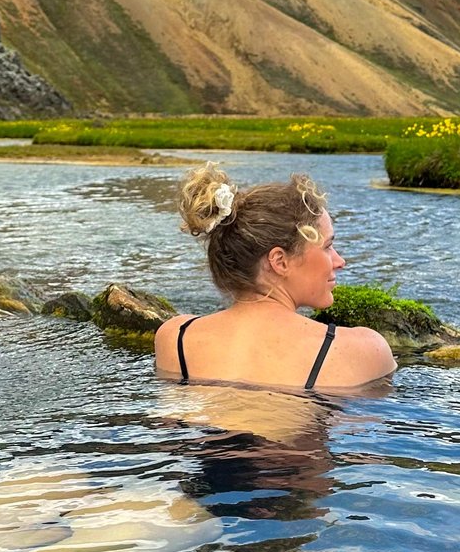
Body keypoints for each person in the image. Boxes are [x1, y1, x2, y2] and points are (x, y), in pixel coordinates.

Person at [154, 164, 396, 390]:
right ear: (280, 261)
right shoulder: (363, 350)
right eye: (327, 247)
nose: (339, 261)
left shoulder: (175, 337)